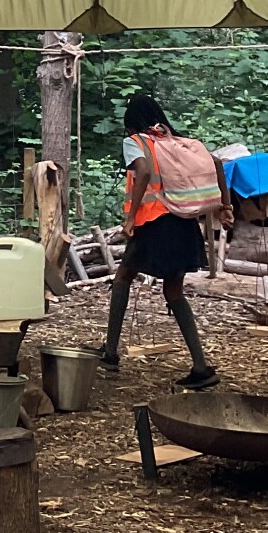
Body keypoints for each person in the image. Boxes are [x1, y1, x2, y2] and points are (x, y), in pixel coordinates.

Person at [99, 94, 229, 390]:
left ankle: (110, 353)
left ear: (131, 122)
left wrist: (130, 217)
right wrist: (226, 206)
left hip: (153, 223)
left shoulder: (136, 141)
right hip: (183, 222)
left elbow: (143, 171)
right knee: (174, 291)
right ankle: (200, 367)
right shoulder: (177, 141)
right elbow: (218, 163)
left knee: (122, 278)